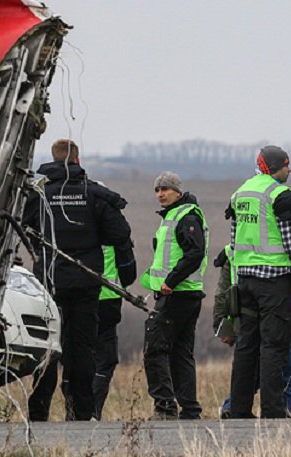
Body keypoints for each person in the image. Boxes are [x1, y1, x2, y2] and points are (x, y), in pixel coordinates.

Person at [23, 139, 134, 422]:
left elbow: (20, 226)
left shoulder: (38, 195)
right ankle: (81, 413)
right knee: (82, 348)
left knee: (48, 346)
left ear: (53, 159)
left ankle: (38, 412)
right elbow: (120, 234)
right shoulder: (94, 194)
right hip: (86, 283)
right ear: (77, 159)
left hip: (48, 283)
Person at [226, 145, 291, 419]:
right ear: (276, 167)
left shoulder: (240, 193)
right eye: (287, 165)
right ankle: (273, 411)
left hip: (245, 280)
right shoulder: (281, 195)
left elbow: (234, 239)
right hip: (274, 281)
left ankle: (239, 409)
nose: (290, 169)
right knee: (274, 346)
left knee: (246, 346)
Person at [213, 227, 291, 418]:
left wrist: (221, 326)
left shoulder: (233, 251)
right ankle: (281, 411)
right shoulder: (285, 256)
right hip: (277, 319)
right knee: (281, 368)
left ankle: (234, 407)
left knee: (248, 365)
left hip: (244, 319)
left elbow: (222, 294)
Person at [140, 171, 209, 420]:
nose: (160, 194)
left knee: (155, 349)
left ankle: (165, 407)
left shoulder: (185, 216)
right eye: (157, 190)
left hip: (177, 294)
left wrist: (170, 281)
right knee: (181, 353)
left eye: (165, 189)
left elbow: (195, 253)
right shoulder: (173, 216)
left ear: (178, 192)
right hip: (184, 294)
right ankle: (189, 409)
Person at [92, 245, 136, 420]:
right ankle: (93, 411)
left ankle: (75, 409)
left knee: (78, 356)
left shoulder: (74, 229)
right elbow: (128, 273)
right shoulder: (114, 233)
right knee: (106, 360)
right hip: (108, 300)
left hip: (76, 298)